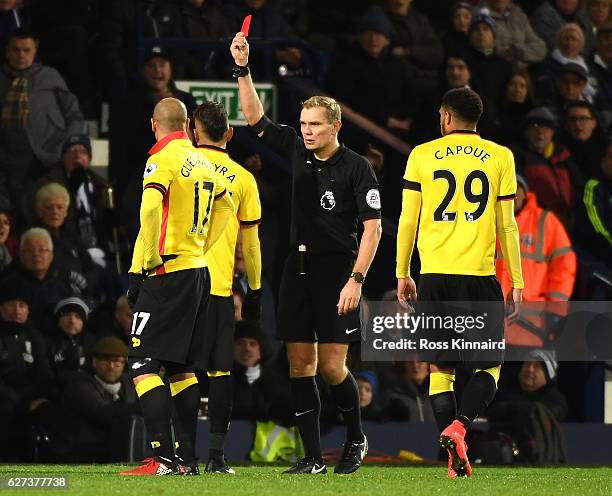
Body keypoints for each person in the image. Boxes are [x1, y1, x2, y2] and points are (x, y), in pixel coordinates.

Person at [231, 31, 383, 474]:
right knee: (300, 363)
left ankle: (356, 437)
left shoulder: (357, 168)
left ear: (335, 126)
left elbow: (373, 229)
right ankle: (313, 456)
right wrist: (243, 69)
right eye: (303, 125)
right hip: (294, 268)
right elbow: (256, 119)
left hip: (337, 271)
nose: (307, 132)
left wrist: (356, 280)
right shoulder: (296, 151)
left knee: (332, 368)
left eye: (315, 125)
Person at [396, 87, 524, 477]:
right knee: (489, 368)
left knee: (441, 371)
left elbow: (407, 220)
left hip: (434, 278)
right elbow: (507, 224)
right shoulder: (501, 156)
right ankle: (461, 426)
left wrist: (403, 272)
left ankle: (453, 454)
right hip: (479, 277)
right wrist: (516, 279)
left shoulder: (421, 155)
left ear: (446, 117)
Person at [120, 97, 233, 476]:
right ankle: (186, 459)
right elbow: (225, 206)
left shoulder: (161, 160)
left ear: (154, 124)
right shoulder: (204, 160)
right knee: (181, 366)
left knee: (142, 362)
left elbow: (150, 210)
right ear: (187, 125)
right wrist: (201, 245)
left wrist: (143, 265)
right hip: (199, 271)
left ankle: (162, 459)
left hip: (167, 272)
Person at [191, 100, 262, 473]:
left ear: (191, 130)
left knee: (177, 370)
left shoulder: (177, 168)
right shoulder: (243, 179)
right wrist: (255, 289)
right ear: (230, 134)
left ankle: (179, 456)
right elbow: (250, 244)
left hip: (177, 284)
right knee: (220, 372)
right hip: (218, 288)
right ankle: (217, 458)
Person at [0, 29, 84, 207]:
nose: (21, 55)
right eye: (16, 50)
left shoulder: (49, 76)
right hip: (7, 161)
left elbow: (74, 114)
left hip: (46, 159)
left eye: (27, 50)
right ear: (7, 51)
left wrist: (66, 145)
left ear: (35, 50)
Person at [495, 175, 576, 347]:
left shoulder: (546, 222)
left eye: (515, 189)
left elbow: (564, 268)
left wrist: (557, 311)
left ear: (525, 192)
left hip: (530, 330)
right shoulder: (485, 222)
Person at [62, 336, 140, 462]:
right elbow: (100, 411)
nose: (111, 366)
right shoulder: (80, 383)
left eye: (117, 362)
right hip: (86, 451)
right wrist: (142, 408)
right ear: (94, 362)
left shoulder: (129, 383)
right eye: (105, 360)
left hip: (124, 449)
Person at [478, 0, 547, 65]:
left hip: (524, 71)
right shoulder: (479, 18)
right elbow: (484, 51)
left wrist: (517, 50)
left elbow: (540, 48)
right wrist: (501, 52)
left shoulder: (518, 14)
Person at [46, 295, 93, 384]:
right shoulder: (46, 342)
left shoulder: (92, 343)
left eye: (78, 316)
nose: (72, 321)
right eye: (67, 315)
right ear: (58, 319)